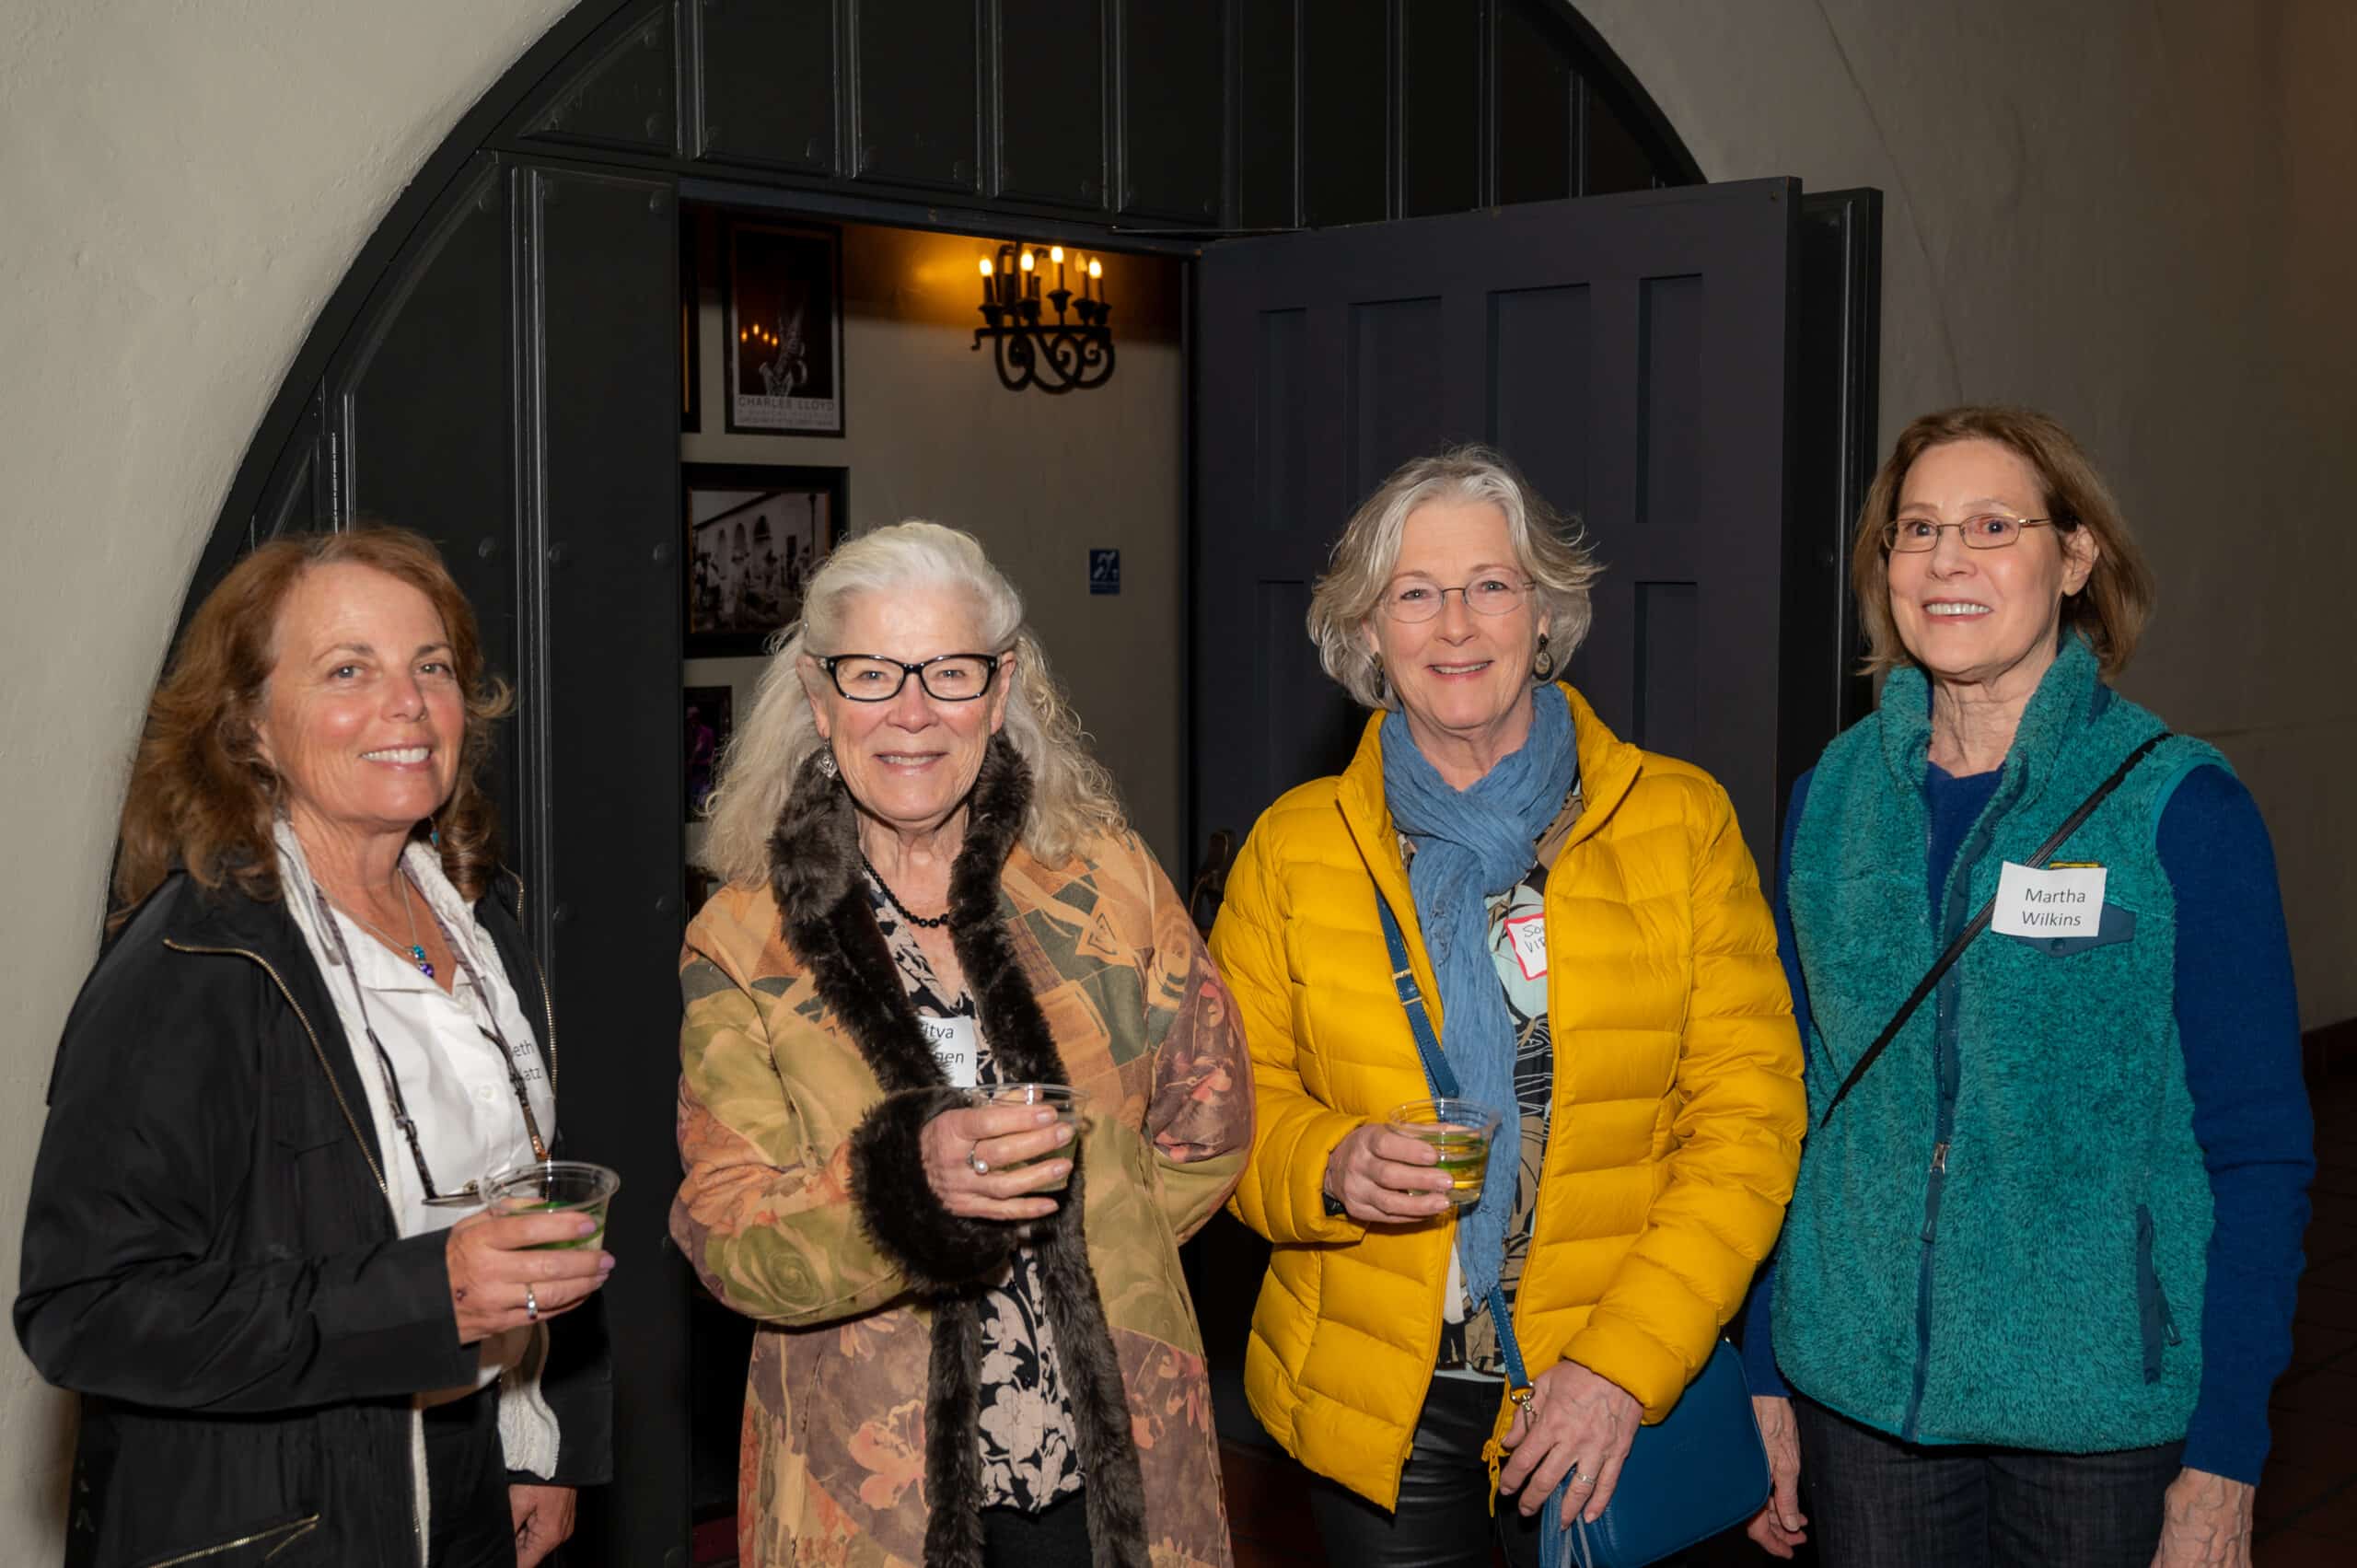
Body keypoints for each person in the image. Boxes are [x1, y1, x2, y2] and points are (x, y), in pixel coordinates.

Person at [1209, 446, 1806, 1566]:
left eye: (1490, 584)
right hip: (1381, 1387)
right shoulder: (1293, 849)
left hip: (1613, 1377)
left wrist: (1620, 1364)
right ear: (1367, 632)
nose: (1455, 625)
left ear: (1543, 612)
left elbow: (1748, 1122)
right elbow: (1226, 1116)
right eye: (1415, 594)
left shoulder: (1677, 822)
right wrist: (1330, 1163)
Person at [1739, 406, 2314, 1568]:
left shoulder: (2178, 808)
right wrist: (1764, 1366)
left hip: (2098, 1407)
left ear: (2075, 557)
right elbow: (1781, 1100)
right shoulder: (1831, 796)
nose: (1947, 559)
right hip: (1857, 1389)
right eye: (1917, 528)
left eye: (1993, 525)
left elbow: (2259, 1150)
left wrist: (2226, 1454)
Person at [16, 528, 612, 1566]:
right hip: (287, 1519)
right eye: (349, 669)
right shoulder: (193, 962)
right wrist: (429, 1297)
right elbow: (85, 1311)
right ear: (249, 724)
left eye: (432, 666)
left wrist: (544, 1439)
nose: (408, 702)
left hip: (469, 1473)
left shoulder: (477, 912)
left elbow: (536, 1209)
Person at [672, 519, 1252, 1568]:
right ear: (816, 694)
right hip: (870, 1489)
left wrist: (1087, 1237)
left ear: (1001, 686)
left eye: (948, 671)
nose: (911, 712)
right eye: (870, 673)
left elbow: (1207, 1125)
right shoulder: (743, 941)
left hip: (1122, 1459)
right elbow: (726, 1232)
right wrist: (906, 1190)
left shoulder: (1108, 881)